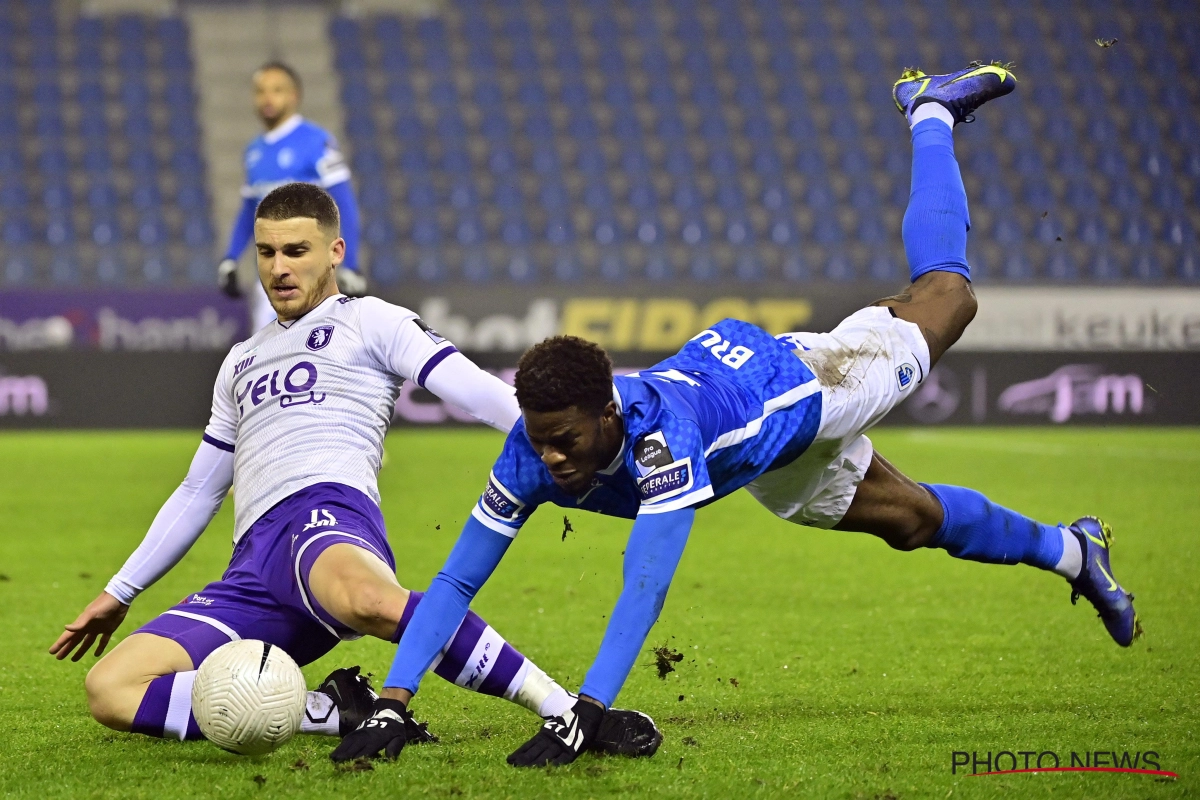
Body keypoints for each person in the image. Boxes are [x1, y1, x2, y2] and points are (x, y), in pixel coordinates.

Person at [332, 63, 1141, 767]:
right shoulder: (530, 448)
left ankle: (930, 112)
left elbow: (644, 585)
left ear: (609, 413)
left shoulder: (662, 443)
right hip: (757, 458)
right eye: (540, 440)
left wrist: (585, 708)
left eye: (566, 441)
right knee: (912, 520)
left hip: (803, 387)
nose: (551, 459)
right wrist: (396, 698)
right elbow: (457, 576)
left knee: (950, 295)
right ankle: (1076, 550)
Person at [51, 183, 660, 757]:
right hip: (252, 566)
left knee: (372, 599)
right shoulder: (240, 361)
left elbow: (474, 390)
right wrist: (119, 591)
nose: (278, 268)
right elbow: (199, 488)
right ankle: (331, 710)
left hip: (324, 517)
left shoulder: (372, 321)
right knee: (111, 689)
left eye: (296, 251)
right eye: (265, 252)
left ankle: (568, 711)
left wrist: (580, 442)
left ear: (334, 252)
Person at [216, 62, 365, 332]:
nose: (268, 98)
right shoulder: (253, 152)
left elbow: (345, 204)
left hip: (313, 272)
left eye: (277, 90)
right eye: (260, 91)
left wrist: (350, 264)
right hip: (274, 275)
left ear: (294, 95)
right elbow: (250, 209)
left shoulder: (317, 142)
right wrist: (231, 257)